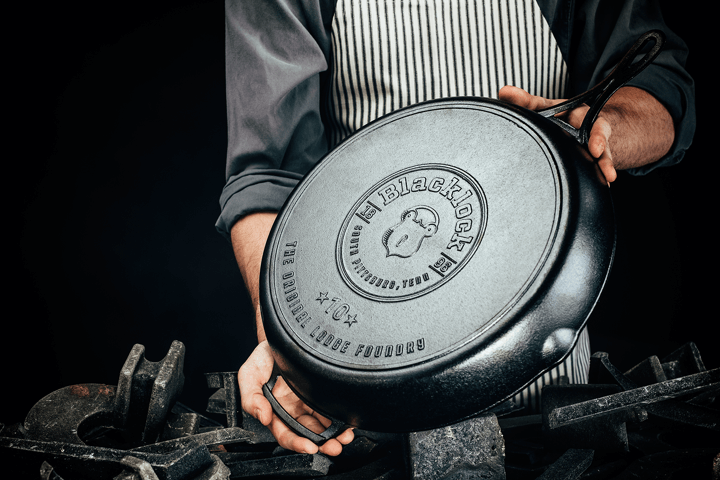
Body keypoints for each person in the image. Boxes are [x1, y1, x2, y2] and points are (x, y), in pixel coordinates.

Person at [219, 0, 695, 456]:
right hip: (378, 419)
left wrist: (603, 126)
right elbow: (268, 177)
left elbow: (664, 91)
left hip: (548, 413)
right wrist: (287, 346)